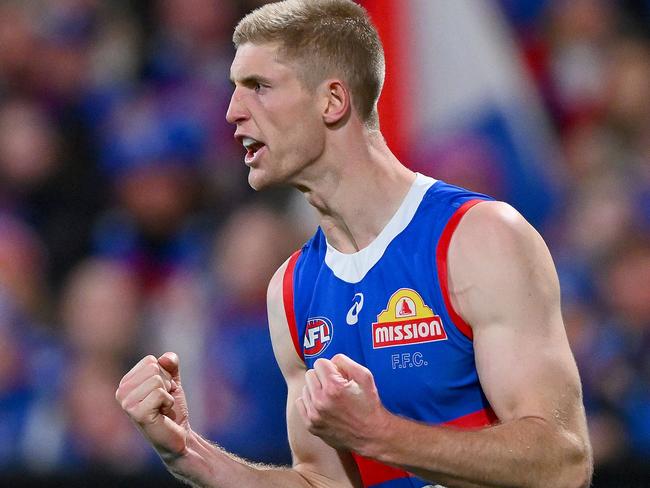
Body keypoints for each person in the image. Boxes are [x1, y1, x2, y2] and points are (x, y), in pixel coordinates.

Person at [115, 1, 593, 487]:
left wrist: (380, 433)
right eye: (235, 88)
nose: (233, 111)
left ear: (333, 101)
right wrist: (190, 455)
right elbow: (324, 483)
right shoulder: (291, 291)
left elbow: (562, 463)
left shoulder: (479, 238)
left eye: (259, 87)